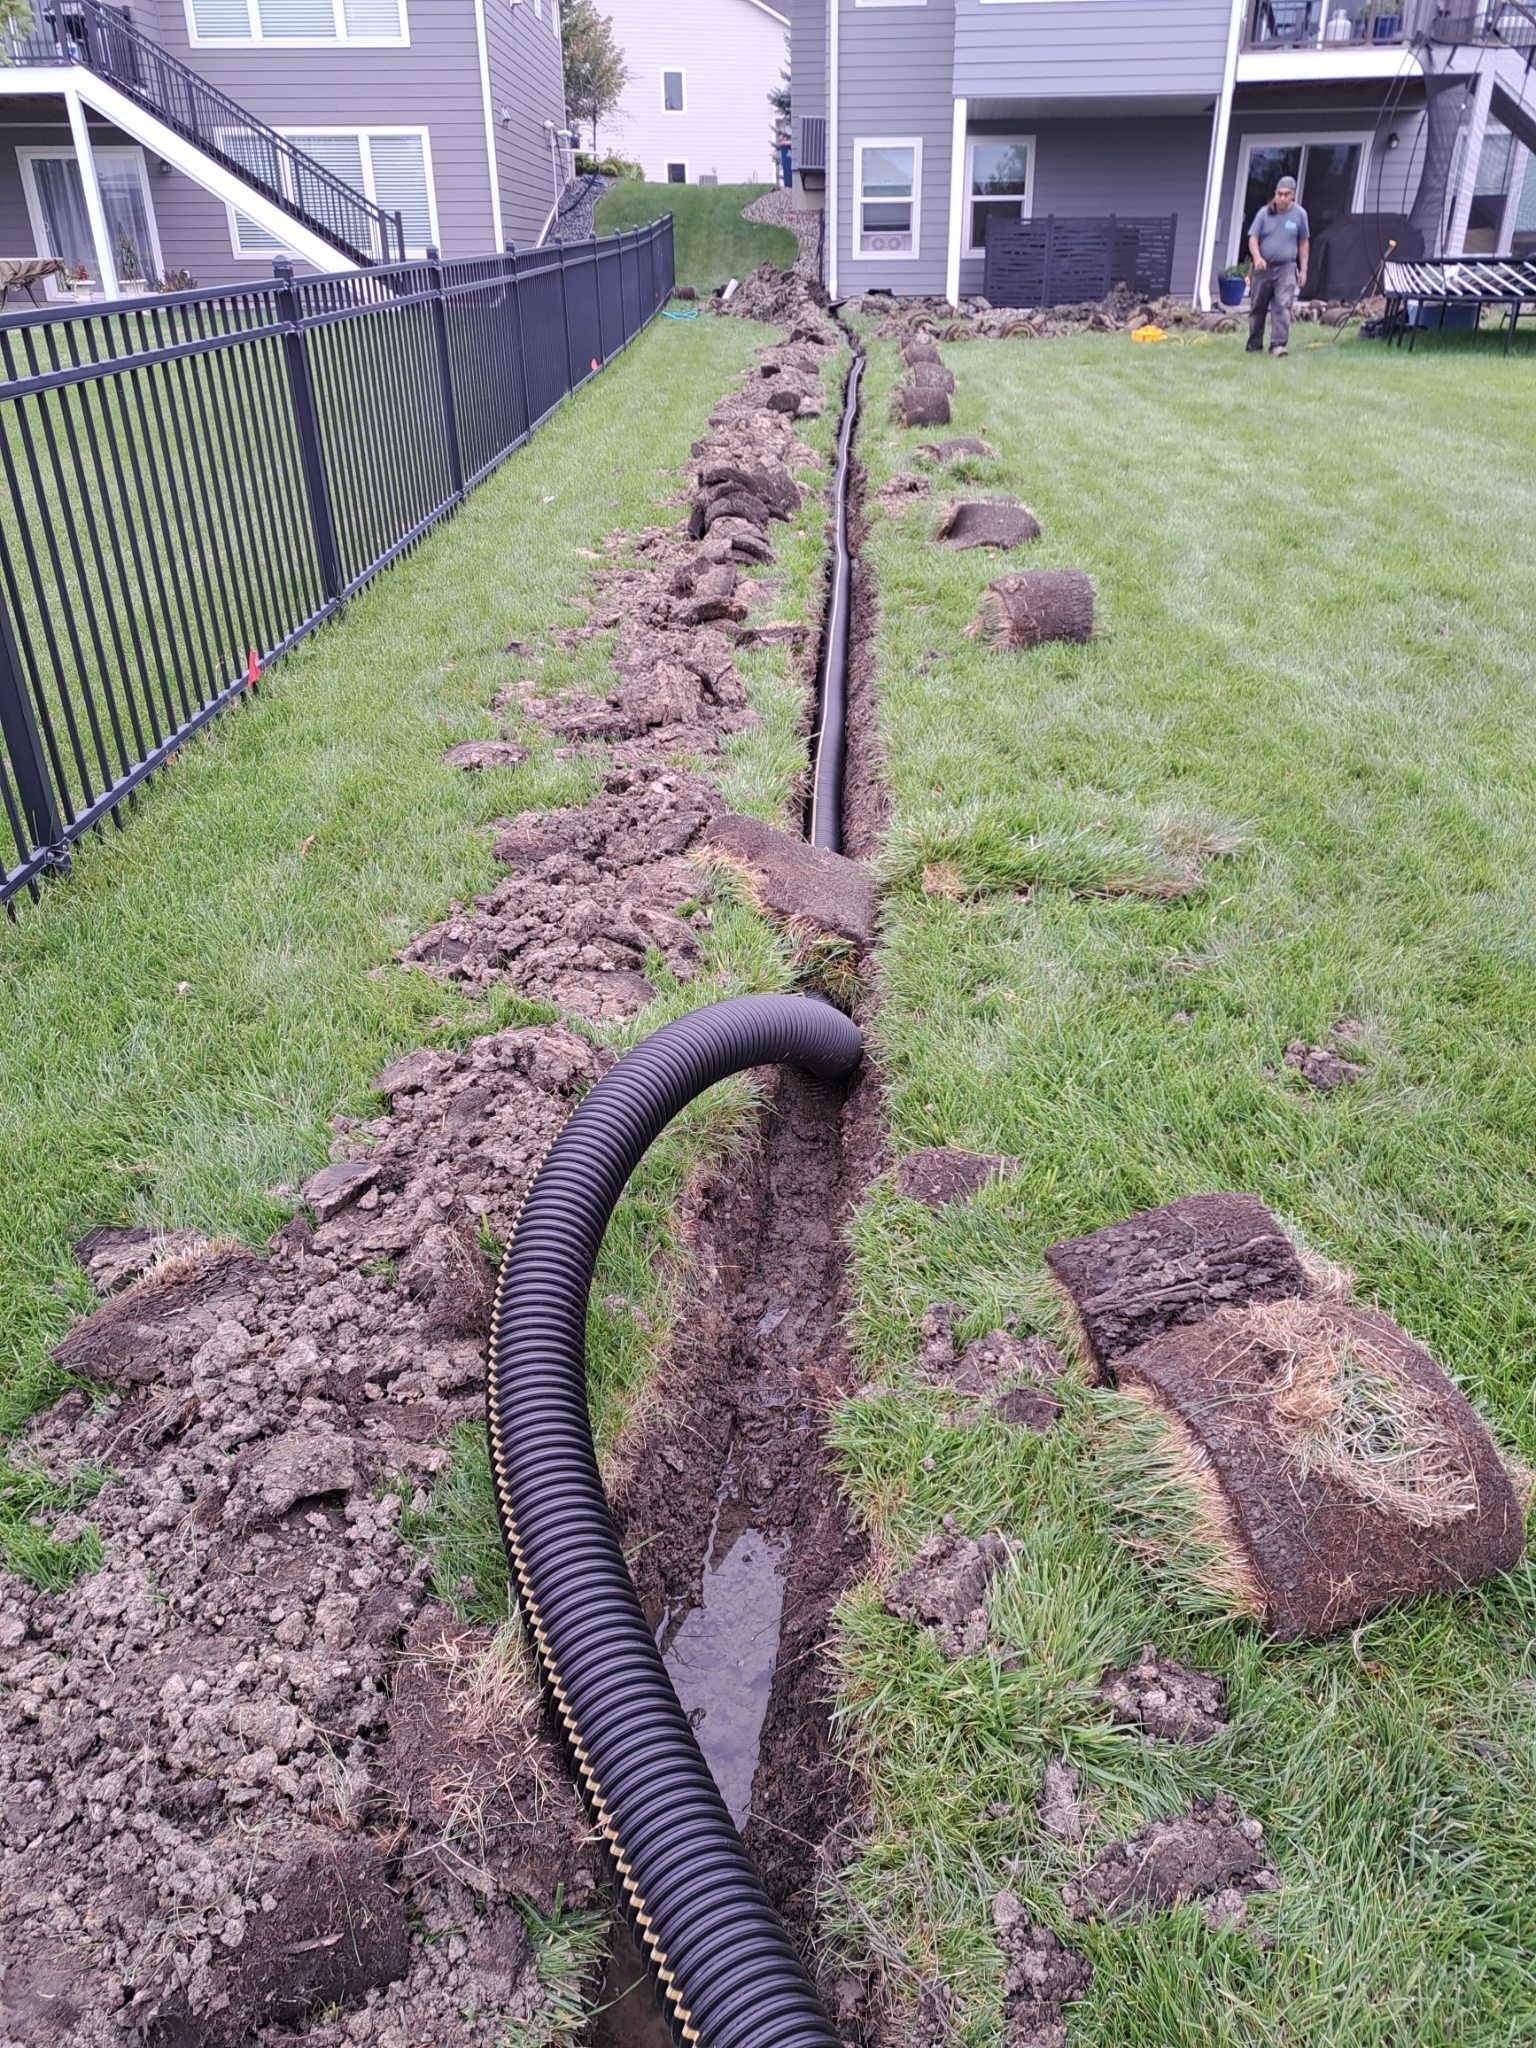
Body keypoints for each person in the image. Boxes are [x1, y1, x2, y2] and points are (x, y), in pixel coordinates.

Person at [1246, 175, 1310, 357]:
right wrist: (1257, 257)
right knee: (1258, 306)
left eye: (1286, 195)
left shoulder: (1300, 215)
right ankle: (1254, 344)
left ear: (1293, 196)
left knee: (1282, 306)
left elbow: (1303, 243)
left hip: (1287, 268)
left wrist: (1303, 269)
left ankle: (1278, 345)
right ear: (1275, 193)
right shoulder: (1264, 213)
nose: (1281, 198)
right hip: (1263, 268)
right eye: (1279, 194)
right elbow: (1253, 238)